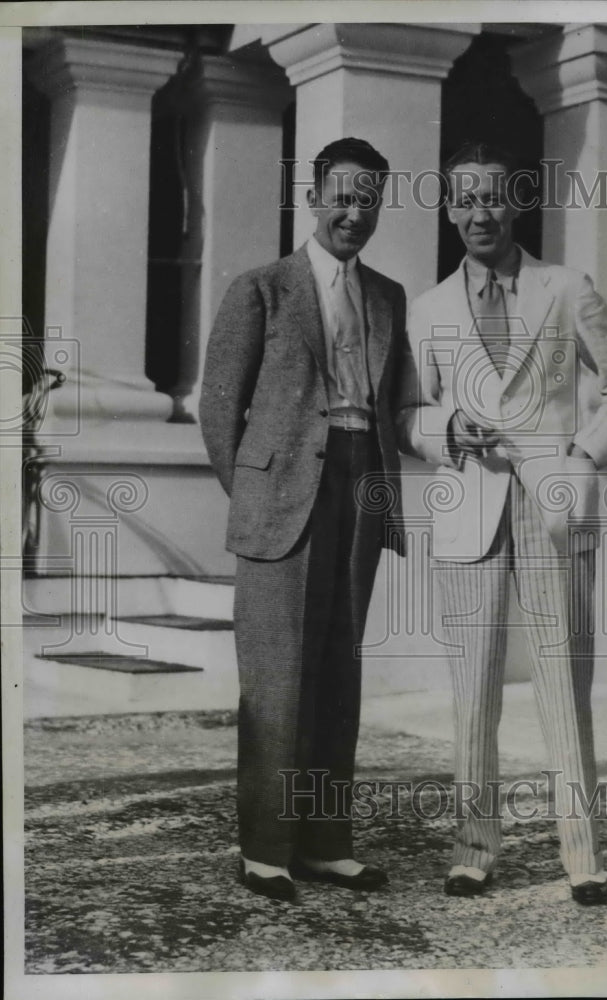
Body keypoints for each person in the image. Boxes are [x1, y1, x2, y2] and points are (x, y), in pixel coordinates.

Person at [397, 140, 607, 903]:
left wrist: (583, 453)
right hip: (469, 510)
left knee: (563, 685)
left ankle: (583, 858)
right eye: (465, 200)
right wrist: (445, 432)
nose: (480, 213)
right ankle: (473, 849)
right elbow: (408, 411)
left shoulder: (565, 287)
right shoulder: (430, 308)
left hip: (556, 506)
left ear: (517, 204)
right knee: (472, 690)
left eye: (493, 198)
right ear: (448, 212)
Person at [200, 137, 414, 903]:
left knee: (337, 671)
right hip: (284, 498)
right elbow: (218, 409)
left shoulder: (388, 296)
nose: (354, 212)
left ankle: (326, 843)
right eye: (341, 196)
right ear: (314, 196)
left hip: (363, 487)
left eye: (369, 200)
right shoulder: (261, 288)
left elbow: (398, 404)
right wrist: (258, 494)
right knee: (276, 680)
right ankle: (265, 850)